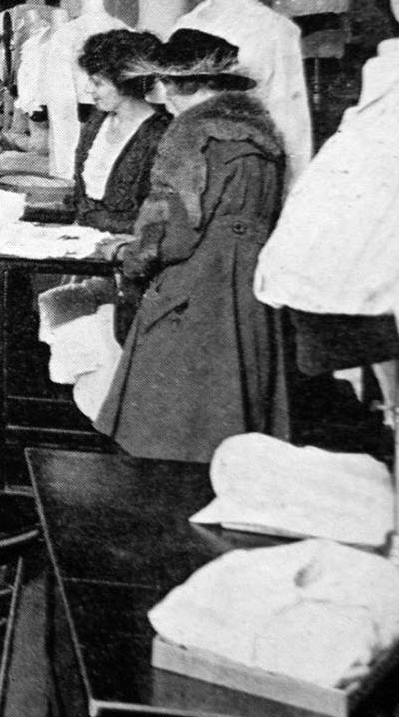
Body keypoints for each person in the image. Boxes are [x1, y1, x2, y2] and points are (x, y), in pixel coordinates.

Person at [94, 29, 289, 463]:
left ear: (179, 85)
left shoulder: (190, 136)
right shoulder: (260, 134)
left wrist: (126, 253)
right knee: (233, 421)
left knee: (169, 428)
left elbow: (172, 234)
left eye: (163, 82)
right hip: (249, 291)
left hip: (196, 292)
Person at [72, 29, 169, 234]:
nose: (89, 90)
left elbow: (161, 221)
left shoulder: (161, 134)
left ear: (125, 84)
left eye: (97, 82)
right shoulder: (97, 120)